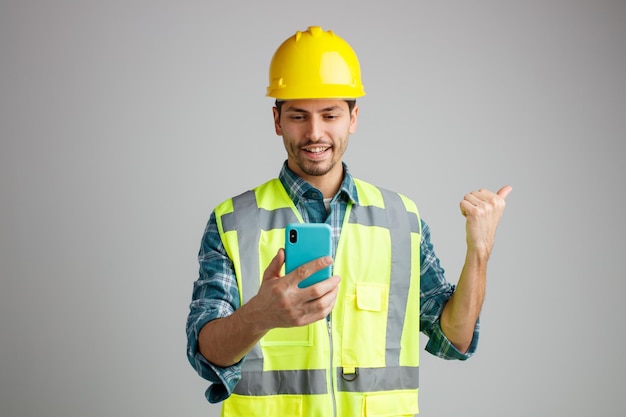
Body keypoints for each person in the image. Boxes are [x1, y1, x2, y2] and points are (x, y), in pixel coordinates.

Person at [186, 25, 512, 417]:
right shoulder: (233, 221)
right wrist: (261, 315)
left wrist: (480, 252)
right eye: (298, 116)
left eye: (330, 114)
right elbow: (206, 354)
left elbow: (453, 340)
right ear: (277, 120)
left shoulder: (401, 220)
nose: (314, 132)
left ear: (353, 117)